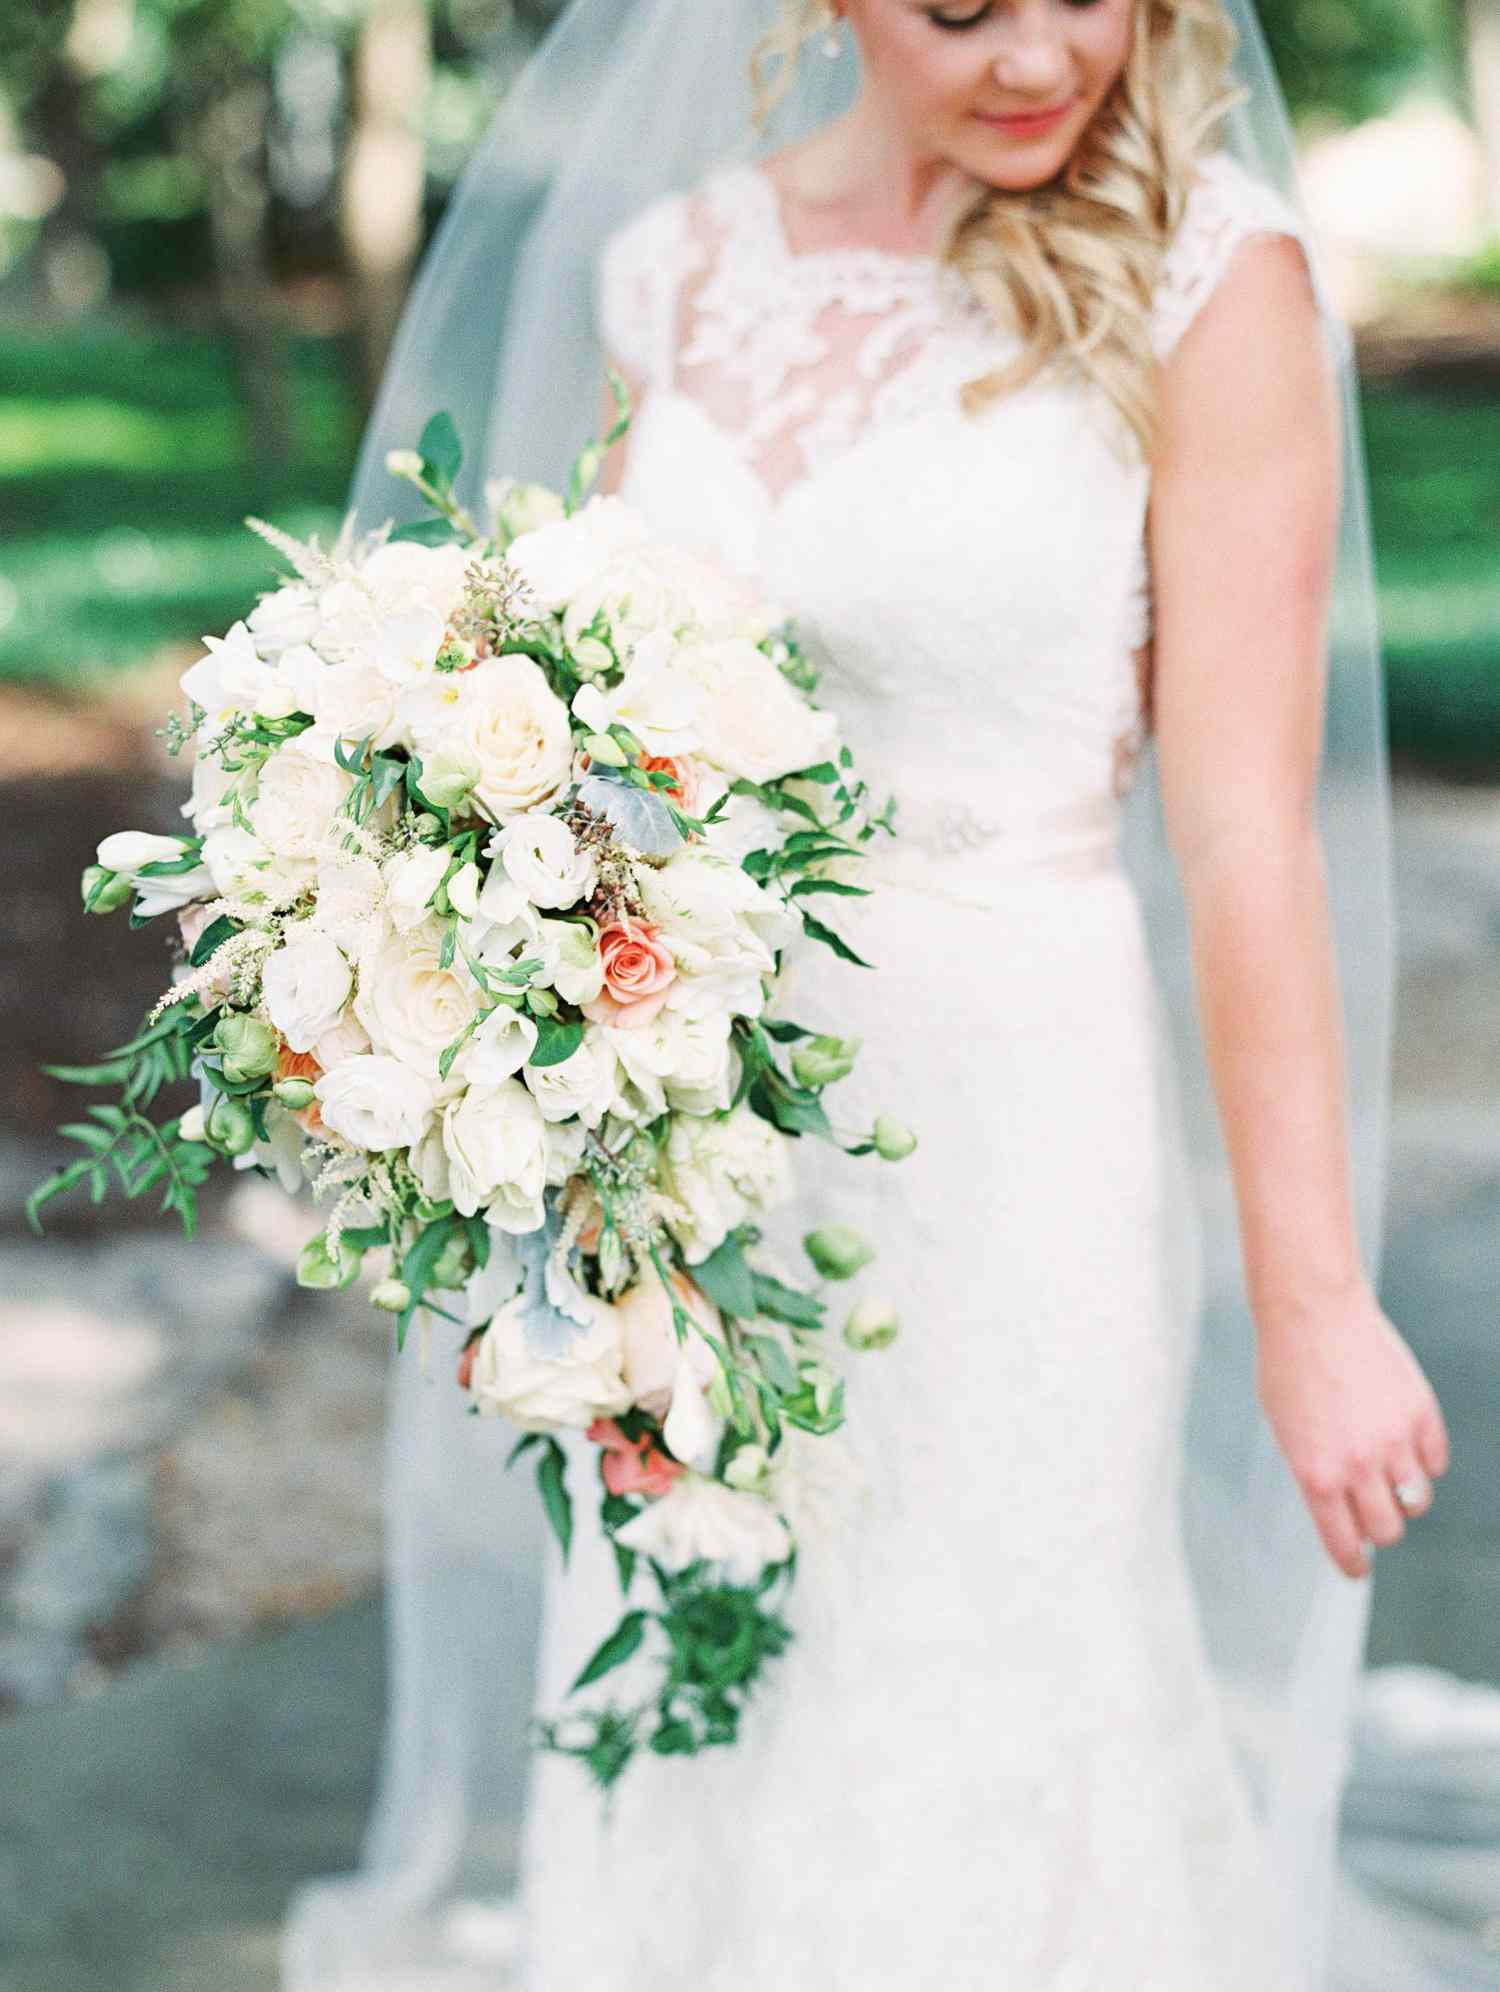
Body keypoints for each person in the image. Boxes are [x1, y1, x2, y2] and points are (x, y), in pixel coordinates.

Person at [280, 2, 1455, 1986]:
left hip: (1017, 1130)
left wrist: (1317, 1301)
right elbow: (564, 722)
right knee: (696, 1667)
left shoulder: (1206, 274)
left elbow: (1251, 841)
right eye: (965, 8)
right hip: (697, 1136)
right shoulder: (681, 268)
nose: (1041, 57)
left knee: (989, 1686)